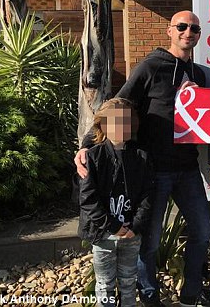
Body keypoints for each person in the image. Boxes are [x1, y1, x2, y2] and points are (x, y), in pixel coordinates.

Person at [76, 11, 210, 307]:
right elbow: (117, 106)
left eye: (194, 28)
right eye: (181, 26)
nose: (188, 32)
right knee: (149, 241)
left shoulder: (199, 75)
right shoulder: (150, 66)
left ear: (199, 35)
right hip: (152, 172)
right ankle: (149, 297)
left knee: (202, 231)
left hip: (187, 168)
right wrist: (87, 145)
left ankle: (191, 294)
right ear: (170, 31)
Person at [78, 98, 153, 307]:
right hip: (103, 234)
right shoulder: (93, 157)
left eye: (125, 121)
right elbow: (87, 198)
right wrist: (112, 226)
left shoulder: (141, 157)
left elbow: (148, 195)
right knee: (105, 284)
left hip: (131, 233)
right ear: (102, 124)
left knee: (129, 282)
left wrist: (135, 226)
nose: (120, 127)